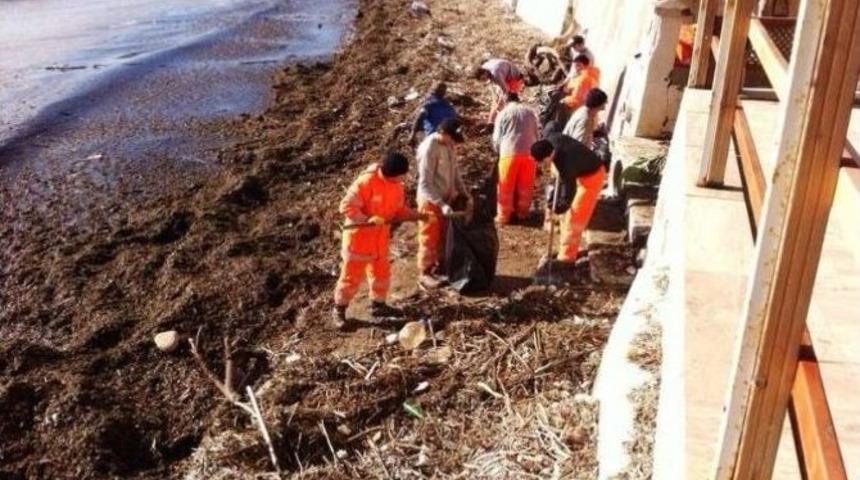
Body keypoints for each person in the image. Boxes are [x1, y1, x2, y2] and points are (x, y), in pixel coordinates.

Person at [332, 152, 424, 328]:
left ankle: (378, 305)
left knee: (381, 274)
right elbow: (346, 206)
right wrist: (367, 219)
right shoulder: (366, 182)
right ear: (391, 173)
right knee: (351, 278)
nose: (403, 178)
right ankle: (339, 309)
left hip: (380, 239)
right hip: (359, 240)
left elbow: (398, 210)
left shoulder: (397, 186)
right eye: (401, 175)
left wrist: (418, 216)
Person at [530, 132, 606, 263]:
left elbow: (569, 190)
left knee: (575, 218)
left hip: (593, 178)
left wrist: (561, 206)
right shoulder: (551, 140)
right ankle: (562, 248)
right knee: (566, 216)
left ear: (548, 156)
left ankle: (566, 258)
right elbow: (559, 182)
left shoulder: (566, 163)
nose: (541, 164)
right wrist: (553, 197)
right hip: (579, 172)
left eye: (542, 161)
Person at [416, 117, 470, 287]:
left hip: (445, 199)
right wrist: (441, 204)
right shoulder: (429, 148)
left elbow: (455, 173)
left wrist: (465, 194)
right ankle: (424, 272)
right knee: (429, 238)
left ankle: (440, 267)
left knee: (444, 236)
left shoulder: (449, 144)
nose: (453, 142)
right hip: (430, 200)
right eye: (451, 138)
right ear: (442, 132)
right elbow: (425, 183)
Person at [492, 92, 540, 224]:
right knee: (525, 185)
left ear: (506, 101)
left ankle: (504, 216)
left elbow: (496, 139)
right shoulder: (530, 112)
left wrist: (497, 151)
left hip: (509, 153)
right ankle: (522, 213)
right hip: (530, 154)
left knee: (505, 186)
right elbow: (537, 134)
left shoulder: (503, 114)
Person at [474, 58, 525, 123]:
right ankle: (490, 122)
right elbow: (492, 84)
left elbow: (506, 90)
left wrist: (499, 102)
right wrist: (495, 98)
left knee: (506, 101)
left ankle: (513, 120)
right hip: (503, 74)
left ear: (485, 73)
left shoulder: (496, 74)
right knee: (495, 101)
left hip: (513, 77)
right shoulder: (484, 67)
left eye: (483, 78)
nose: (484, 80)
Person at [410, 82, 457, 147]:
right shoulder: (448, 105)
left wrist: (412, 134)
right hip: (447, 138)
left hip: (431, 136)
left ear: (434, 90)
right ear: (444, 92)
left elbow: (420, 116)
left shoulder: (430, 102)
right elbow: (455, 119)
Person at [558, 54, 601, 125]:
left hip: (582, 113)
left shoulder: (583, 79)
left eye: (576, 67)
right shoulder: (593, 73)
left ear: (580, 65)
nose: (575, 69)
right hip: (592, 110)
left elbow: (577, 99)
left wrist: (564, 100)